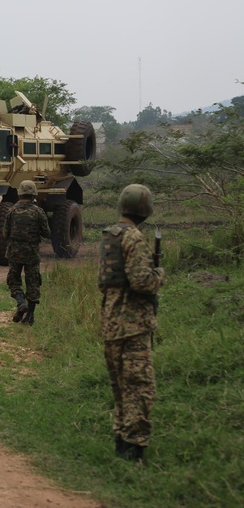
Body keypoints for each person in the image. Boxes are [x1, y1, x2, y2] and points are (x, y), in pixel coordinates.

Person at [99, 183, 164, 461]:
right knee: (139, 388)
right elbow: (142, 282)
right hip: (133, 324)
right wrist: (159, 274)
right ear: (145, 208)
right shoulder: (134, 238)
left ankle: (121, 441)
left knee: (121, 387)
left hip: (112, 321)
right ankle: (134, 449)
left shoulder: (110, 235)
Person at [3, 180, 50, 324]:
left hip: (14, 252)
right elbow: (47, 233)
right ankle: (30, 317)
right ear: (34, 194)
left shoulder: (11, 210)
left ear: (20, 193)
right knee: (33, 283)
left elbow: (5, 233)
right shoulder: (38, 212)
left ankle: (20, 302)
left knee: (14, 280)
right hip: (32, 253)